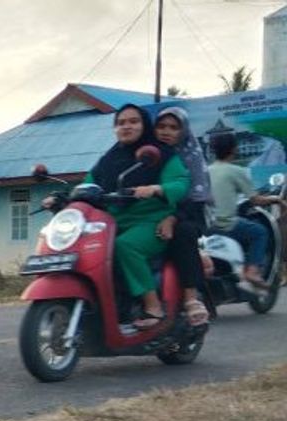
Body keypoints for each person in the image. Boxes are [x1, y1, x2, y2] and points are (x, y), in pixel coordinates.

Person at [45, 104, 190, 329]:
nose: (127, 126)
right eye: (121, 123)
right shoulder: (109, 159)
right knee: (84, 249)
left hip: (150, 220)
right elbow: (88, 185)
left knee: (126, 246)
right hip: (112, 222)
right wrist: (62, 198)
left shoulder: (160, 154)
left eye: (133, 121)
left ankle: (153, 306)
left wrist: (156, 189)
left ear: (144, 125)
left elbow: (180, 183)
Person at [152, 107, 211, 326]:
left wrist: (173, 217)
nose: (166, 132)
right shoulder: (146, 154)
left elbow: (195, 198)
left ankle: (190, 297)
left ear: (183, 131)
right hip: (150, 213)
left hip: (189, 214)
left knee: (182, 232)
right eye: (161, 126)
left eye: (173, 127)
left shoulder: (190, 156)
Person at [207, 132, 280, 292]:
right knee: (259, 232)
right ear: (234, 149)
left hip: (206, 226)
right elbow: (255, 200)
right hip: (226, 225)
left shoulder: (207, 170)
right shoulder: (236, 170)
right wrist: (277, 199)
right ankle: (253, 270)